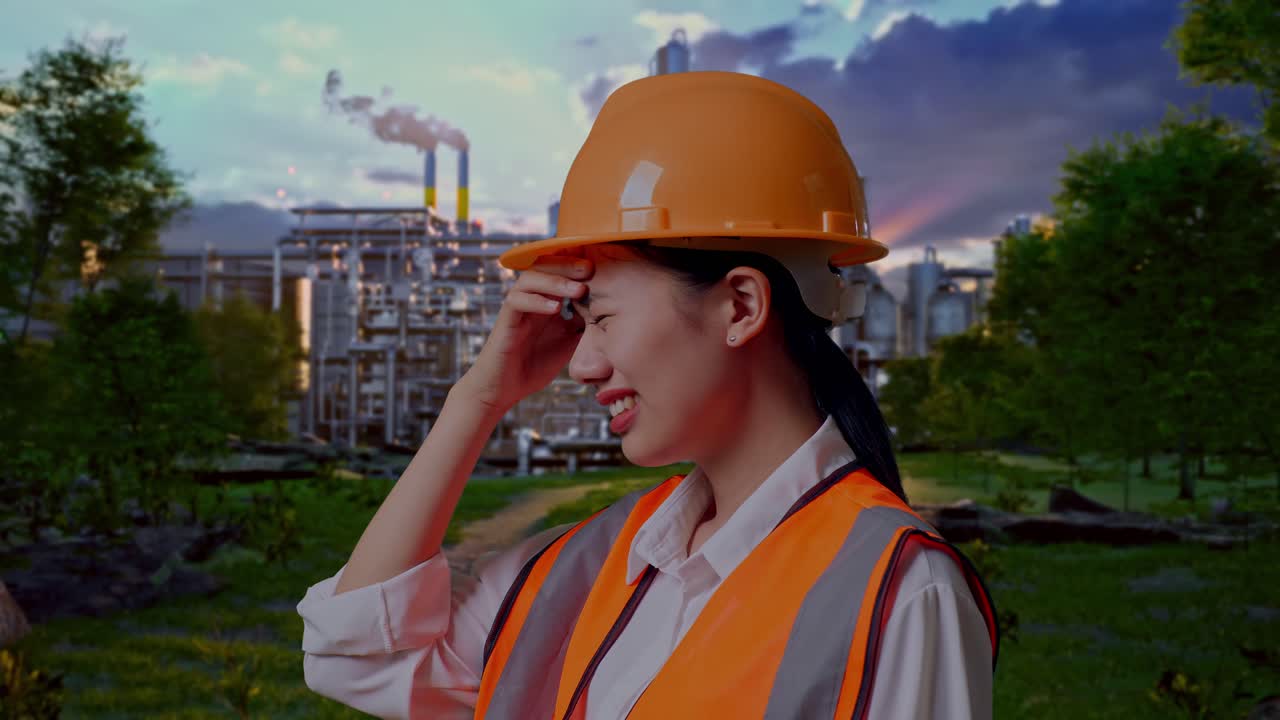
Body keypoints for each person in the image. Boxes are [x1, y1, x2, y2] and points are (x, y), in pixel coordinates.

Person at [297, 70, 999, 720]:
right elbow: (358, 653)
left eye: (601, 318)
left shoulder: (900, 589)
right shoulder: (597, 560)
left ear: (741, 306)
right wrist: (477, 398)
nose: (581, 365)